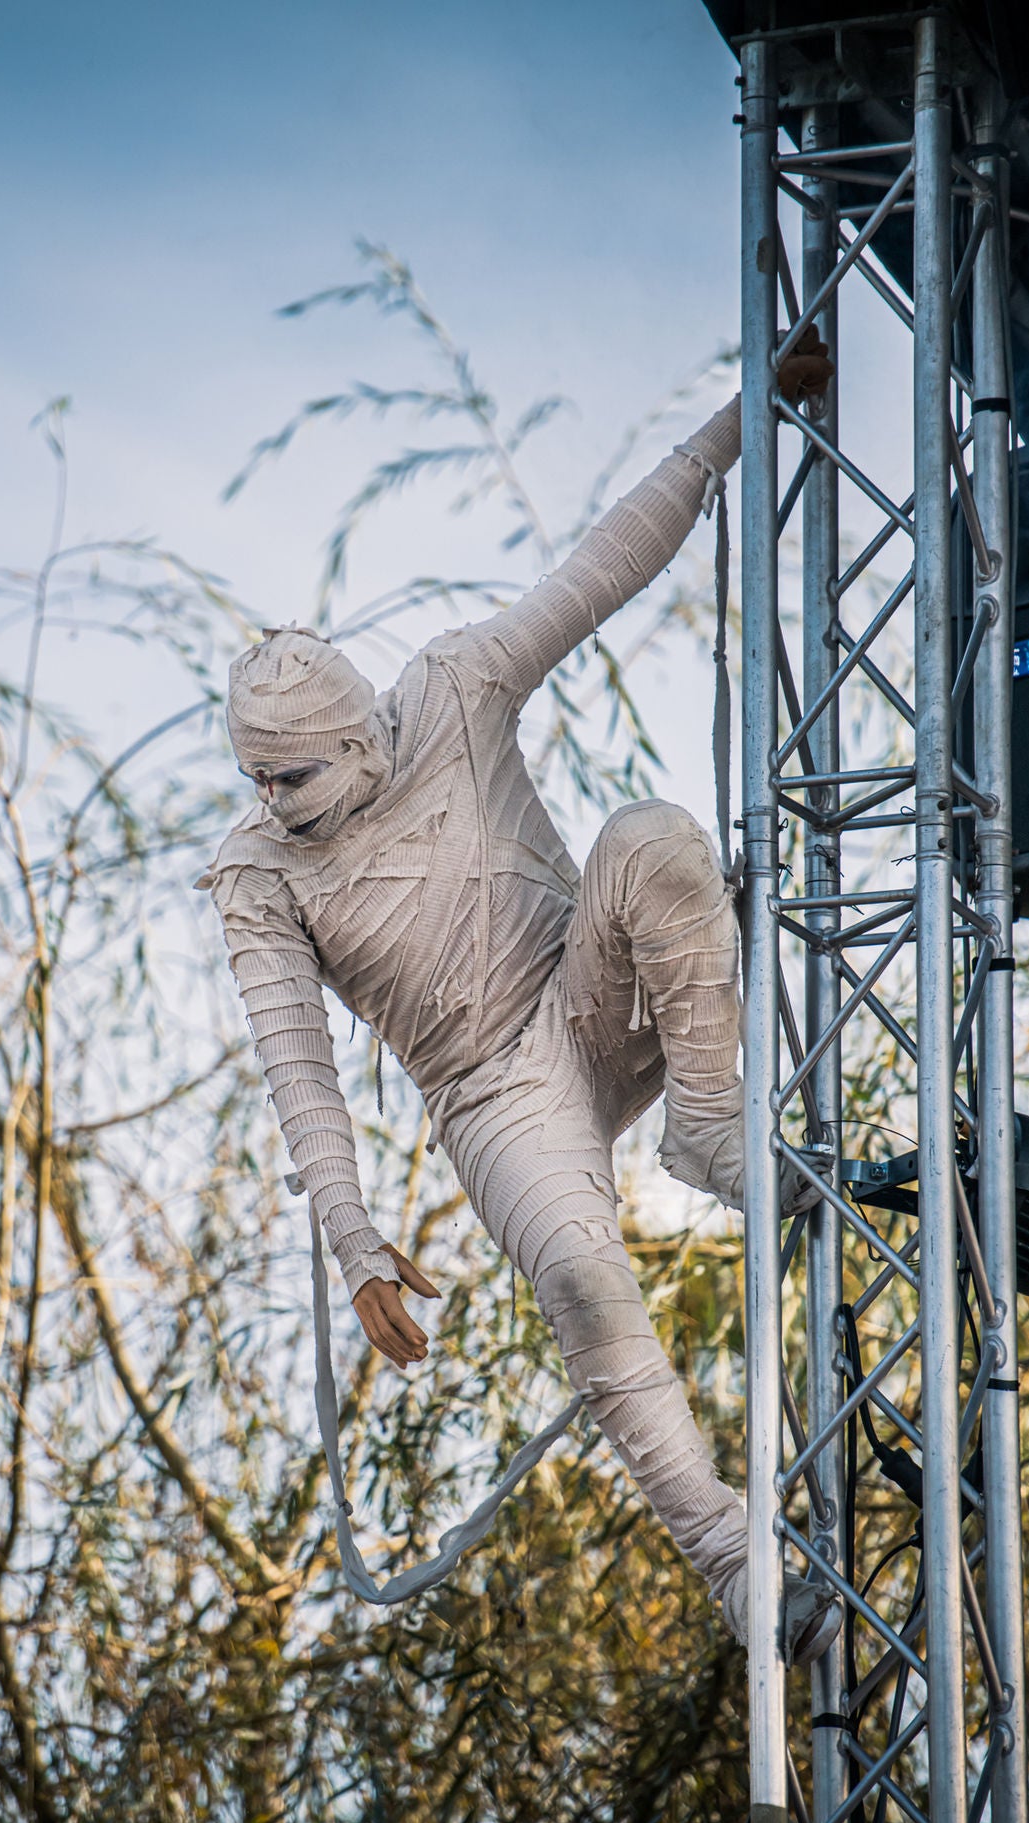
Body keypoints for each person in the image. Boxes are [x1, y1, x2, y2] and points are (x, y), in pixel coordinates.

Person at [206, 334, 839, 1662]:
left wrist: (743, 414)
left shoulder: (449, 688)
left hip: (582, 989)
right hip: (491, 1096)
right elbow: (296, 1067)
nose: (275, 807)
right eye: (257, 786)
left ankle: (707, 1128)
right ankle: (725, 1548)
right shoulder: (258, 875)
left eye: (294, 781)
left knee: (656, 837)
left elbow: (600, 566)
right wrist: (355, 1242)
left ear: (359, 735)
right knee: (577, 1274)